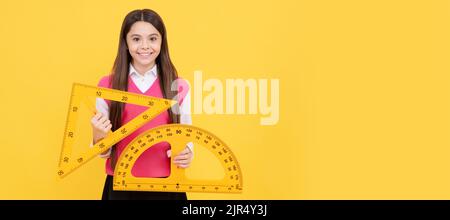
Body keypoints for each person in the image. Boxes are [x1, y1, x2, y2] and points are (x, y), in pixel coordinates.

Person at [90, 9, 193, 200]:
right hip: (121, 185)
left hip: (167, 185)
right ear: (126, 43)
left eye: (153, 38)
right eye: (136, 39)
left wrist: (187, 153)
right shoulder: (107, 86)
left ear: (162, 42)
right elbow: (103, 151)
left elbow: (186, 136)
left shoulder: (179, 86)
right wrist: (98, 135)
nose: (145, 46)